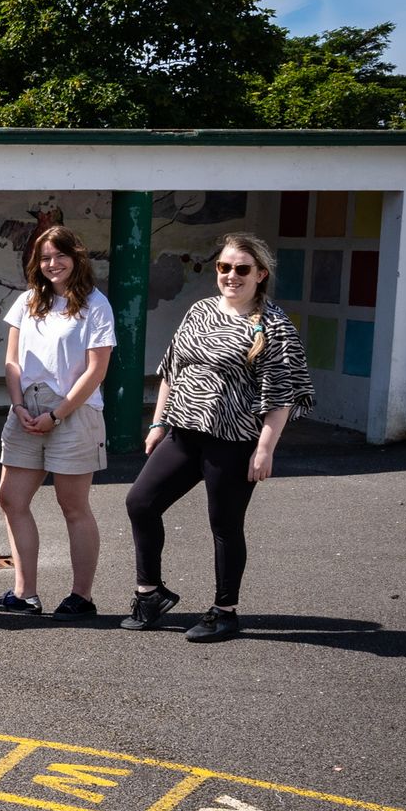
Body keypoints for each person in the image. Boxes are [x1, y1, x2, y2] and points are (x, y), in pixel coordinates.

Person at [123, 233, 313, 643]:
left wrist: (264, 449)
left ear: (260, 274)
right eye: (224, 267)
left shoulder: (274, 326)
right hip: (184, 431)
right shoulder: (200, 310)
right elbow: (172, 369)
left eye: (242, 269)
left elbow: (281, 395)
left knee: (224, 524)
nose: (231, 275)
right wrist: (158, 424)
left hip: (233, 440)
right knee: (140, 502)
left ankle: (224, 611)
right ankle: (150, 594)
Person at [0, 225, 116, 621]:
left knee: (72, 505)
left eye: (60, 255)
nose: (52, 264)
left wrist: (57, 415)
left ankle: (82, 597)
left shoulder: (96, 305)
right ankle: (25, 594)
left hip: (73, 412)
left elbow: (97, 370)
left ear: (76, 257)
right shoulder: (27, 301)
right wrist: (17, 405)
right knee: (11, 499)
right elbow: (12, 361)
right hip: (26, 409)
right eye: (44, 258)